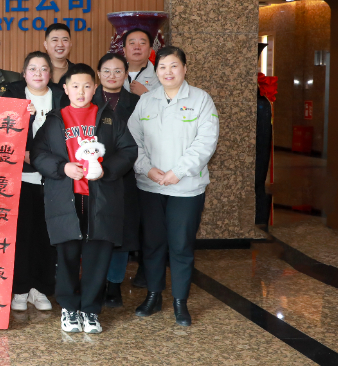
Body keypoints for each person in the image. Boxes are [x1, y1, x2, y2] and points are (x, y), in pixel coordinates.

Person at [31, 63, 138, 335]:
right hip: (65, 200)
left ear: (95, 88)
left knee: (97, 257)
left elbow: (128, 150)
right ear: (65, 89)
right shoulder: (55, 120)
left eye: (87, 86)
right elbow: (38, 154)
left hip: (101, 199)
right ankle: (68, 308)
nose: (81, 92)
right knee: (67, 256)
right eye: (75, 86)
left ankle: (90, 310)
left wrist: (106, 170)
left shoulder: (108, 117)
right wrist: (63, 167)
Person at [128, 46, 219, 327]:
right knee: (152, 244)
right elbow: (132, 140)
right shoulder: (146, 101)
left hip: (186, 188)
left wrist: (177, 172)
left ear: (185, 68)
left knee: (180, 246)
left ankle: (181, 301)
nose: (168, 72)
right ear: (156, 71)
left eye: (174, 66)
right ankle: (153, 296)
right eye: (162, 67)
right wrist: (147, 168)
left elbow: (206, 143)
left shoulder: (201, 100)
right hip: (150, 185)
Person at [3, 52, 66, 313]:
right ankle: (20, 288)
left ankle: (40, 288)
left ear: (51, 73)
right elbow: (3, 135)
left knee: (46, 237)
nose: (38, 73)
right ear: (24, 73)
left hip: (55, 179)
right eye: (32, 69)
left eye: (43, 69)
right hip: (23, 177)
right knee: (22, 236)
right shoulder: (12, 96)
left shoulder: (61, 96)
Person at [92, 52, 142, 308]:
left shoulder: (137, 102)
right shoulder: (87, 98)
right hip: (91, 177)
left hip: (125, 175)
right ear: (98, 74)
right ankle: (94, 283)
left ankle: (114, 285)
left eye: (118, 71)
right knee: (95, 232)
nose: (112, 76)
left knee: (122, 232)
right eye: (106, 71)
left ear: (126, 74)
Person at [122, 29, 158, 95]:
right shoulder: (114, 74)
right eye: (132, 43)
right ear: (124, 50)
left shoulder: (160, 76)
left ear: (150, 50)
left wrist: (145, 94)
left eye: (142, 43)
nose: (137, 47)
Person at [43, 23, 74, 88]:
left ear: (70, 44)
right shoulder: (35, 72)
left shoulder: (78, 71)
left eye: (65, 40)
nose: (60, 44)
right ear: (45, 45)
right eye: (55, 40)